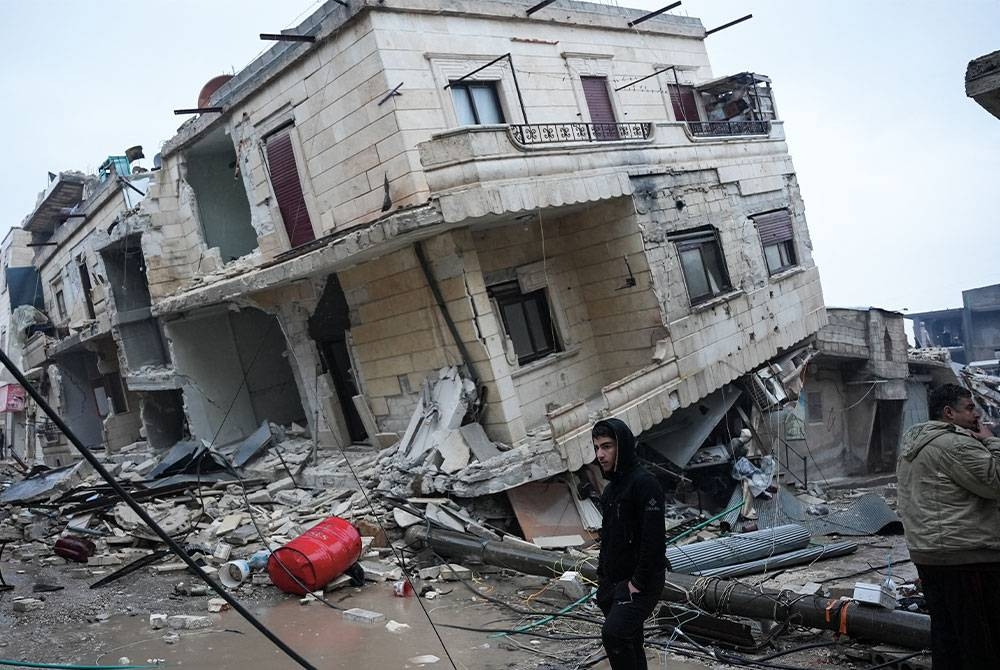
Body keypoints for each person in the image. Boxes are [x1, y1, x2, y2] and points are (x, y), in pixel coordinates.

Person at [897, 383, 1000, 669]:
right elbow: (996, 482)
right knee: (981, 642)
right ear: (948, 413)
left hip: (929, 555)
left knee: (947, 639)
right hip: (966, 556)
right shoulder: (955, 444)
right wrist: (991, 440)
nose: (976, 415)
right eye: (969, 408)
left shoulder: (913, 445)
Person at [592, 418, 665, 670]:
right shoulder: (611, 491)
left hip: (639, 584)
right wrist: (603, 579)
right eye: (597, 448)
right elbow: (609, 538)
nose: (600, 454)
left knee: (614, 635)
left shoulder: (645, 485)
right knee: (631, 640)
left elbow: (654, 542)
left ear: (621, 446)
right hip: (614, 584)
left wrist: (637, 583)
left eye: (607, 446)